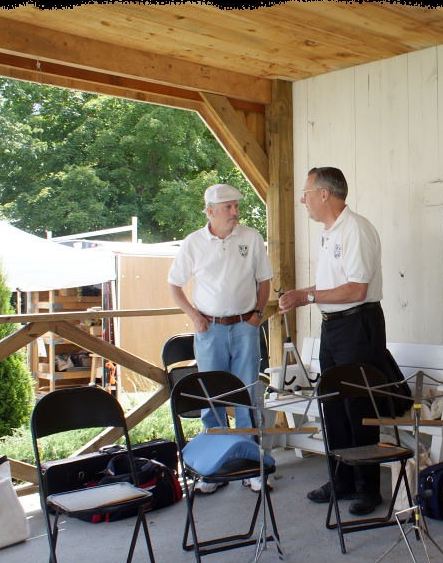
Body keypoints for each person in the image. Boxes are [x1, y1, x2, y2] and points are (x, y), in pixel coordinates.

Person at [279, 166, 407, 516]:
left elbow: (356, 289)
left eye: (306, 193)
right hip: (333, 326)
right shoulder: (328, 233)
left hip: (358, 324)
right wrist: (301, 295)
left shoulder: (356, 230)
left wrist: (307, 297)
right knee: (332, 403)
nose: (302, 200)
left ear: (325, 194)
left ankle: (368, 488)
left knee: (358, 406)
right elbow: (331, 287)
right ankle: (341, 481)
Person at [168, 183, 274, 495]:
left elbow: (264, 280)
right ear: (210, 211)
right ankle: (214, 466)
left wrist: (257, 314)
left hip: (245, 325)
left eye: (236, 206)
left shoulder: (251, 238)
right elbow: (174, 285)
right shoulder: (194, 243)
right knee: (211, 395)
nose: (235, 212)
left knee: (247, 393)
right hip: (210, 329)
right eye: (228, 207)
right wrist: (194, 316)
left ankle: (250, 464)